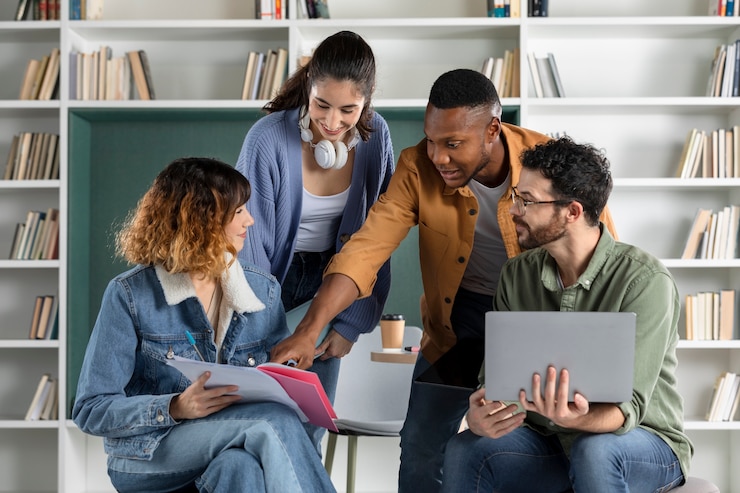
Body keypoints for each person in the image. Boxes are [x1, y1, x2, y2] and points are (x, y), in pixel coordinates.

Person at [269, 68, 618, 492]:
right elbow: (366, 250)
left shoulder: (546, 163)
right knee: (420, 443)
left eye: (453, 144)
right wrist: (308, 330)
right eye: (432, 140)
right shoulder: (418, 168)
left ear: (492, 129)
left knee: (544, 442)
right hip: (458, 325)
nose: (438, 157)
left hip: (541, 321)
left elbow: (603, 257)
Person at [441, 137, 693, 492]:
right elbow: (500, 382)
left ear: (572, 212)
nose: (513, 210)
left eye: (526, 201)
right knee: (467, 447)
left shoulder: (645, 280)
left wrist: (576, 417)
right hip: (550, 441)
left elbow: (628, 408)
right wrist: (484, 415)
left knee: (596, 450)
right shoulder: (517, 275)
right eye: (516, 196)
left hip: (642, 441)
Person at [72, 157, 336, 493]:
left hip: (234, 442)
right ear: (201, 220)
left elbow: (281, 387)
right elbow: (90, 409)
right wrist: (175, 407)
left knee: (239, 468)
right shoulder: (129, 294)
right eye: (238, 212)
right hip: (149, 454)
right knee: (270, 422)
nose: (250, 220)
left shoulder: (262, 290)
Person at [234, 30, 395, 449]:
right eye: (322, 104)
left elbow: (378, 239)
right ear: (308, 87)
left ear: (367, 102)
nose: (332, 122)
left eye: (349, 110)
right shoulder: (268, 139)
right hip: (268, 272)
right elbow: (250, 245)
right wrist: (259, 330)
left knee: (312, 419)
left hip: (335, 275)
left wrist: (350, 324)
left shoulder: (376, 139)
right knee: (257, 409)